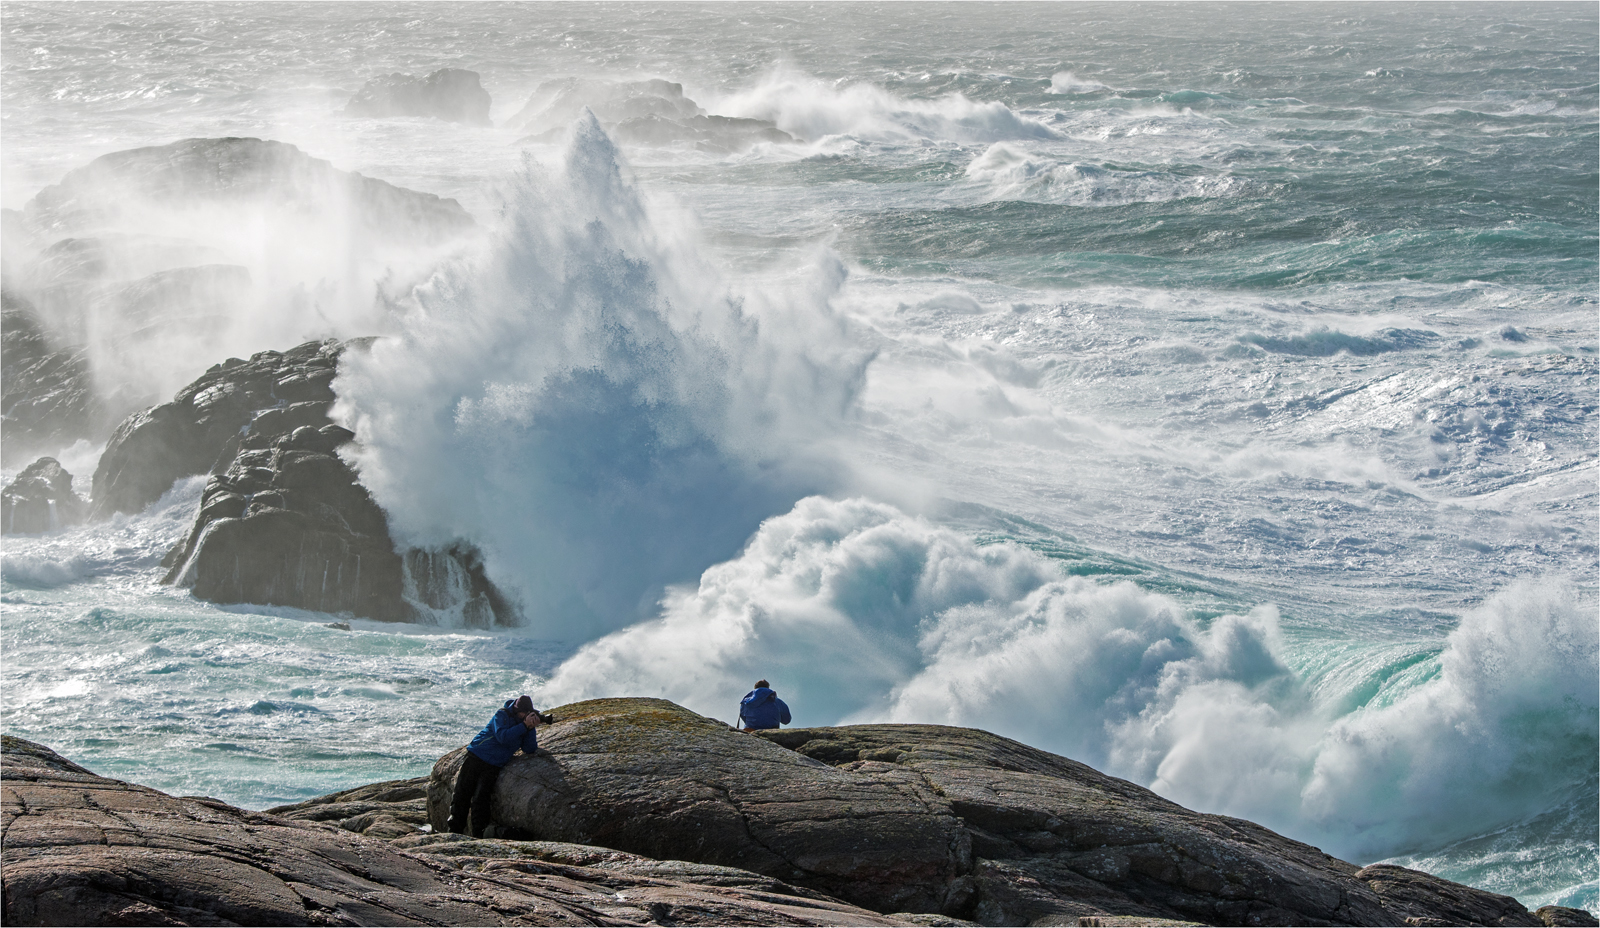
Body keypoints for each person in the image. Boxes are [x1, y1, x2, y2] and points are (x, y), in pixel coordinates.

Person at [448, 694, 542, 837]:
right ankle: (454, 832)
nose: (525, 715)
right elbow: (502, 737)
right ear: (517, 710)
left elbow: (529, 749)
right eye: (524, 713)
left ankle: (478, 834)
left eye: (527, 713)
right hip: (477, 756)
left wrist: (530, 728)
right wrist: (523, 726)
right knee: (462, 795)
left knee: (481, 800)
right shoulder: (502, 714)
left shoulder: (524, 725)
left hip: (494, 764)